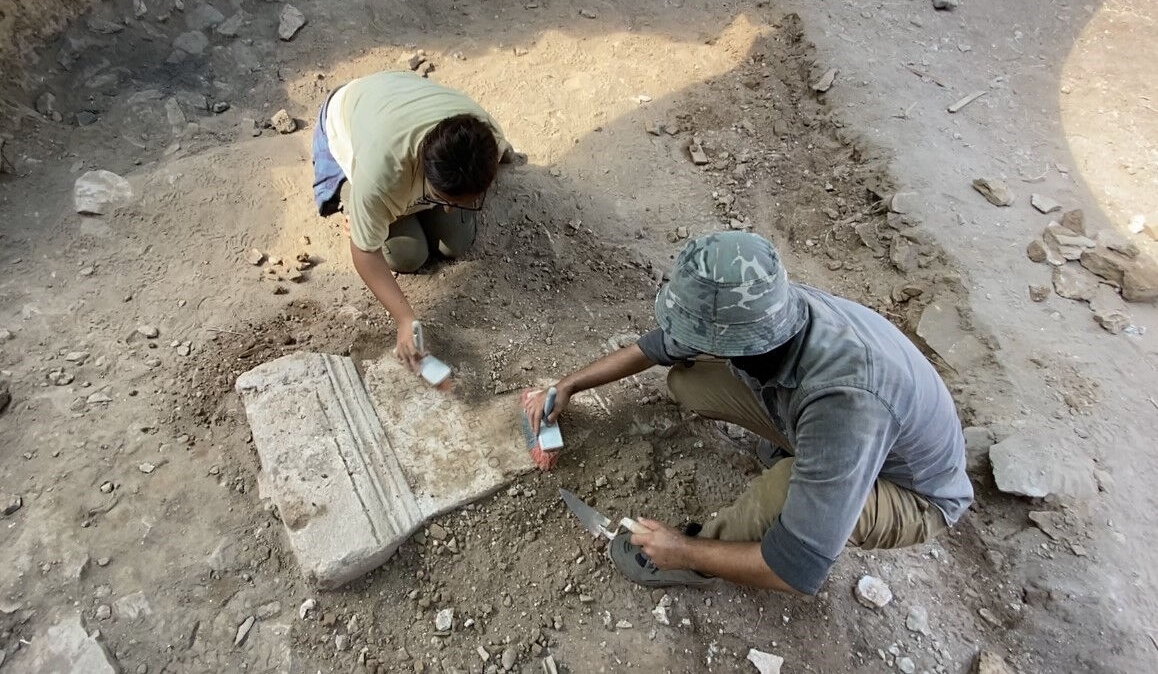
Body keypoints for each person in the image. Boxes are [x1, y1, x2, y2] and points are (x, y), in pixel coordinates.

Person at [523, 231, 973, 595]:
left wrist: (683, 549)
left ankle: (697, 562)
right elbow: (655, 348)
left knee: (784, 487)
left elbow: (794, 570)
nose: (684, 341)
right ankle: (800, 452)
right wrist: (568, 385)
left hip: (913, 492)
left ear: (737, 341)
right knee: (689, 380)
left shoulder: (845, 405)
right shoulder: (763, 308)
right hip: (849, 429)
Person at [312, 71, 513, 369]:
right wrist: (405, 319)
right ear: (426, 173)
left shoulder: (487, 138)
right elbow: (365, 252)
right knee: (408, 254)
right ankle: (350, 196)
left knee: (455, 243)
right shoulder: (383, 172)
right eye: (444, 199)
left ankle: (404, 205)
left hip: (399, 100)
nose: (450, 210)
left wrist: (451, 199)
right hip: (349, 118)